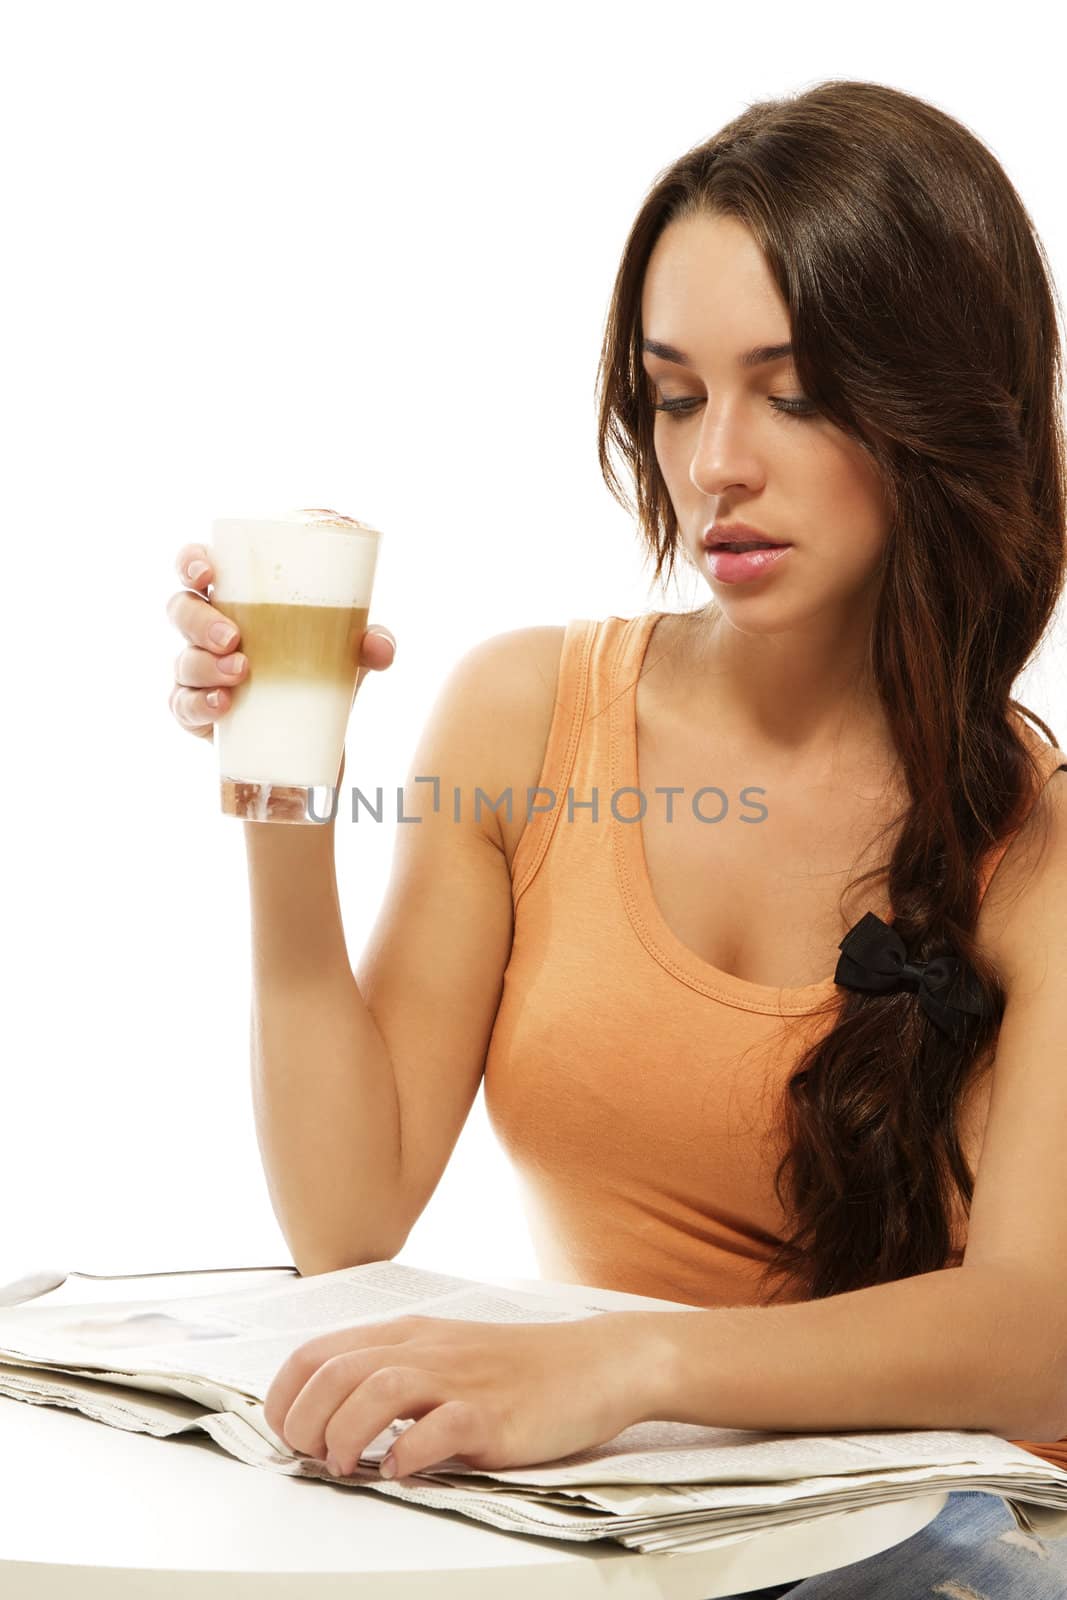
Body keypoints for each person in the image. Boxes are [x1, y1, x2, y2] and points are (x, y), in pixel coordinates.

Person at [166, 78, 1067, 1596]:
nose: (717, 462)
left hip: (960, 1545)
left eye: (793, 390)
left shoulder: (1033, 843)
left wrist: (624, 1371)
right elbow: (347, 1213)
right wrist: (282, 781)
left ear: (939, 404)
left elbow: (1037, 1336)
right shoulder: (528, 714)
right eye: (673, 395)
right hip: (636, 1540)